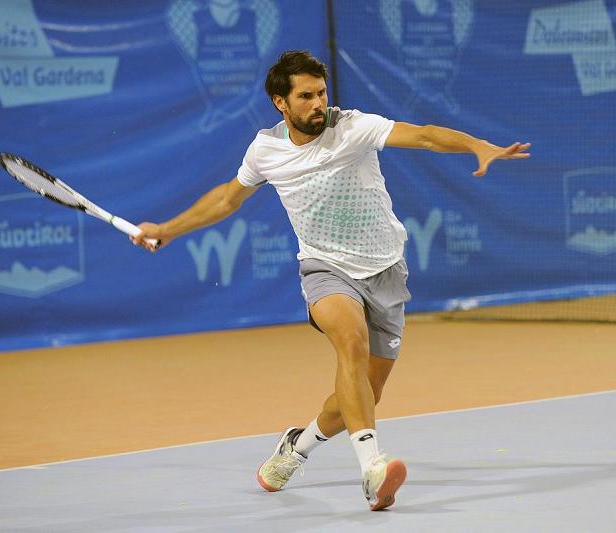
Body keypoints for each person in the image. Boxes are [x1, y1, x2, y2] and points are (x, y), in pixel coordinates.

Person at [131, 50, 530, 511]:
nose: (319, 103)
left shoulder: (354, 128)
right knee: (350, 341)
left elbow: (423, 135)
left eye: (321, 93)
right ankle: (372, 468)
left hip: (385, 269)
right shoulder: (265, 150)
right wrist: (167, 229)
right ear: (281, 102)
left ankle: (297, 446)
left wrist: (477, 145)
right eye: (306, 96)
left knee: (365, 393)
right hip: (325, 268)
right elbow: (226, 199)